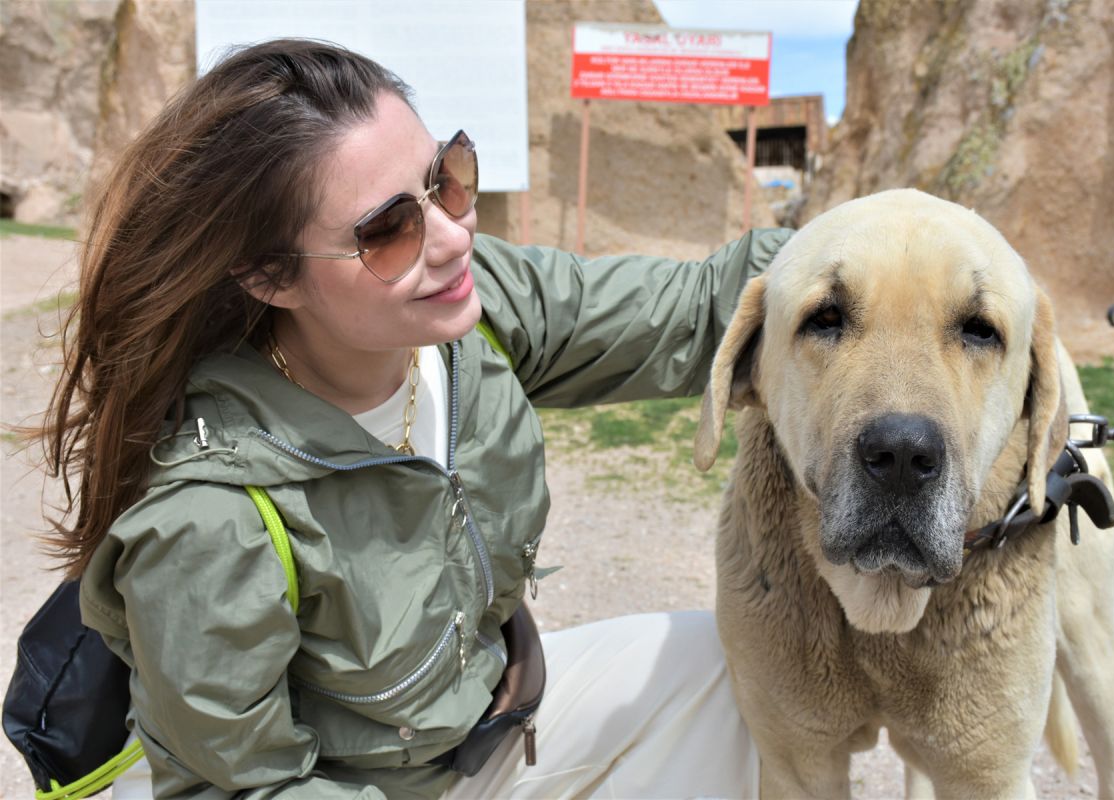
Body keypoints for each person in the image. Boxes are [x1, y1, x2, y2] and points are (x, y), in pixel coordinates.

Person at [40, 39, 791, 798]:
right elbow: (241, 788)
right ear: (270, 275)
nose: (454, 237)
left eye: (447, 179)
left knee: (715, 667)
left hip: (471, 740)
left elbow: (700, 310)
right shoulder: (211, 519)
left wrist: (887, 256)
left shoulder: (475, 309)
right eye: (387, 230)